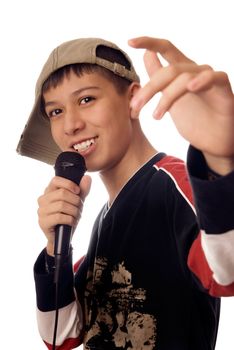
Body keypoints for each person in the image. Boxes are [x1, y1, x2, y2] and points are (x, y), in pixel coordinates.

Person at [17, 36, 234, 349]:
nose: (71, 125)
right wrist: (55, 250)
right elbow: (62, 334)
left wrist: (221, 162)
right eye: (55, 112)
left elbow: (224, 272)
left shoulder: (175, 185)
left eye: (86, 99)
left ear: (133, 99)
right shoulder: (102, 220)